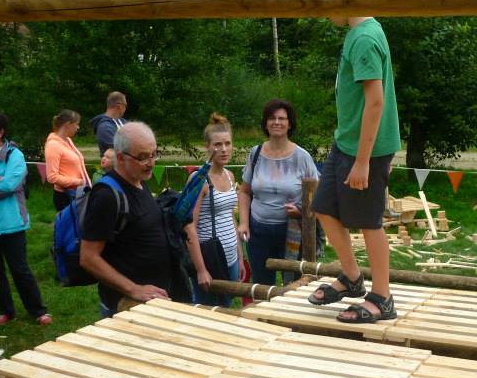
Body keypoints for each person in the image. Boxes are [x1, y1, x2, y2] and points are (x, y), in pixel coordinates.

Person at [307, 0, 401, 324]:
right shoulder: (357, 32)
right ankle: (351, 277)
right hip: (345, 142)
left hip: (367, 150)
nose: (323, 9)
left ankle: (383, 297)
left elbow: (375, 102)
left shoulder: (364, 37)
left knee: (368, 221)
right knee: (324, 208)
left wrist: (363, 161)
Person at [80, 121, 181, 317]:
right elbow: (88, 257)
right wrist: (133, 289)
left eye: (154, 154)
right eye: (142, 157)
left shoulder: (138, 181)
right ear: (120, 157)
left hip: (155, 301)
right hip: (126, 307)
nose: (151, 162)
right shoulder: (106, 196)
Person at [237, 99, 320, 286]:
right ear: (265, 123)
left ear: (290, 124)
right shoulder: (255, 153)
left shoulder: (302, 157)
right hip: (258, 230)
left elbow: (316, 196)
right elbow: (244, 192)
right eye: (272, 118)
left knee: (293, 285)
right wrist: (243, 223)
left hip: (291, 231)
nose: (276, 122)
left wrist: (300, 212)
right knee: (261, 286)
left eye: (282, 118)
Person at [0, 112, 51, 326]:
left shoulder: (14, 155)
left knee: (19, 269)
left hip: (11, 223)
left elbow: (10, 184)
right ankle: (6, 310)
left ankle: (38, 310)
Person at [185, 113, 242, 306]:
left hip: (230, 257)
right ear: (207, 147)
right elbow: (189, 226)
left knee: (226, 306)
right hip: (209, 257)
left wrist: (240, 257)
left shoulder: (230, 176)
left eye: (227, 143)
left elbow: (230, 217)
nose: (224, 149)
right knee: (206, 310)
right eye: (218, 144)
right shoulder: (199, 179)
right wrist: (201, 269)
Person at [44, 109, 90, 211]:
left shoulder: (68, 140)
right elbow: (52, 177)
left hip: (78, 193)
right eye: (76, 124)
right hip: (66, 196)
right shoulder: (53, 145)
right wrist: (78, 182)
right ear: (68, 124)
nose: (78, 127)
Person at [89, 91, 128, 155]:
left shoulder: (123, 121)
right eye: (125, 105)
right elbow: (121, 149)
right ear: (119, 106)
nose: (125, 108)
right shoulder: (104, 127)